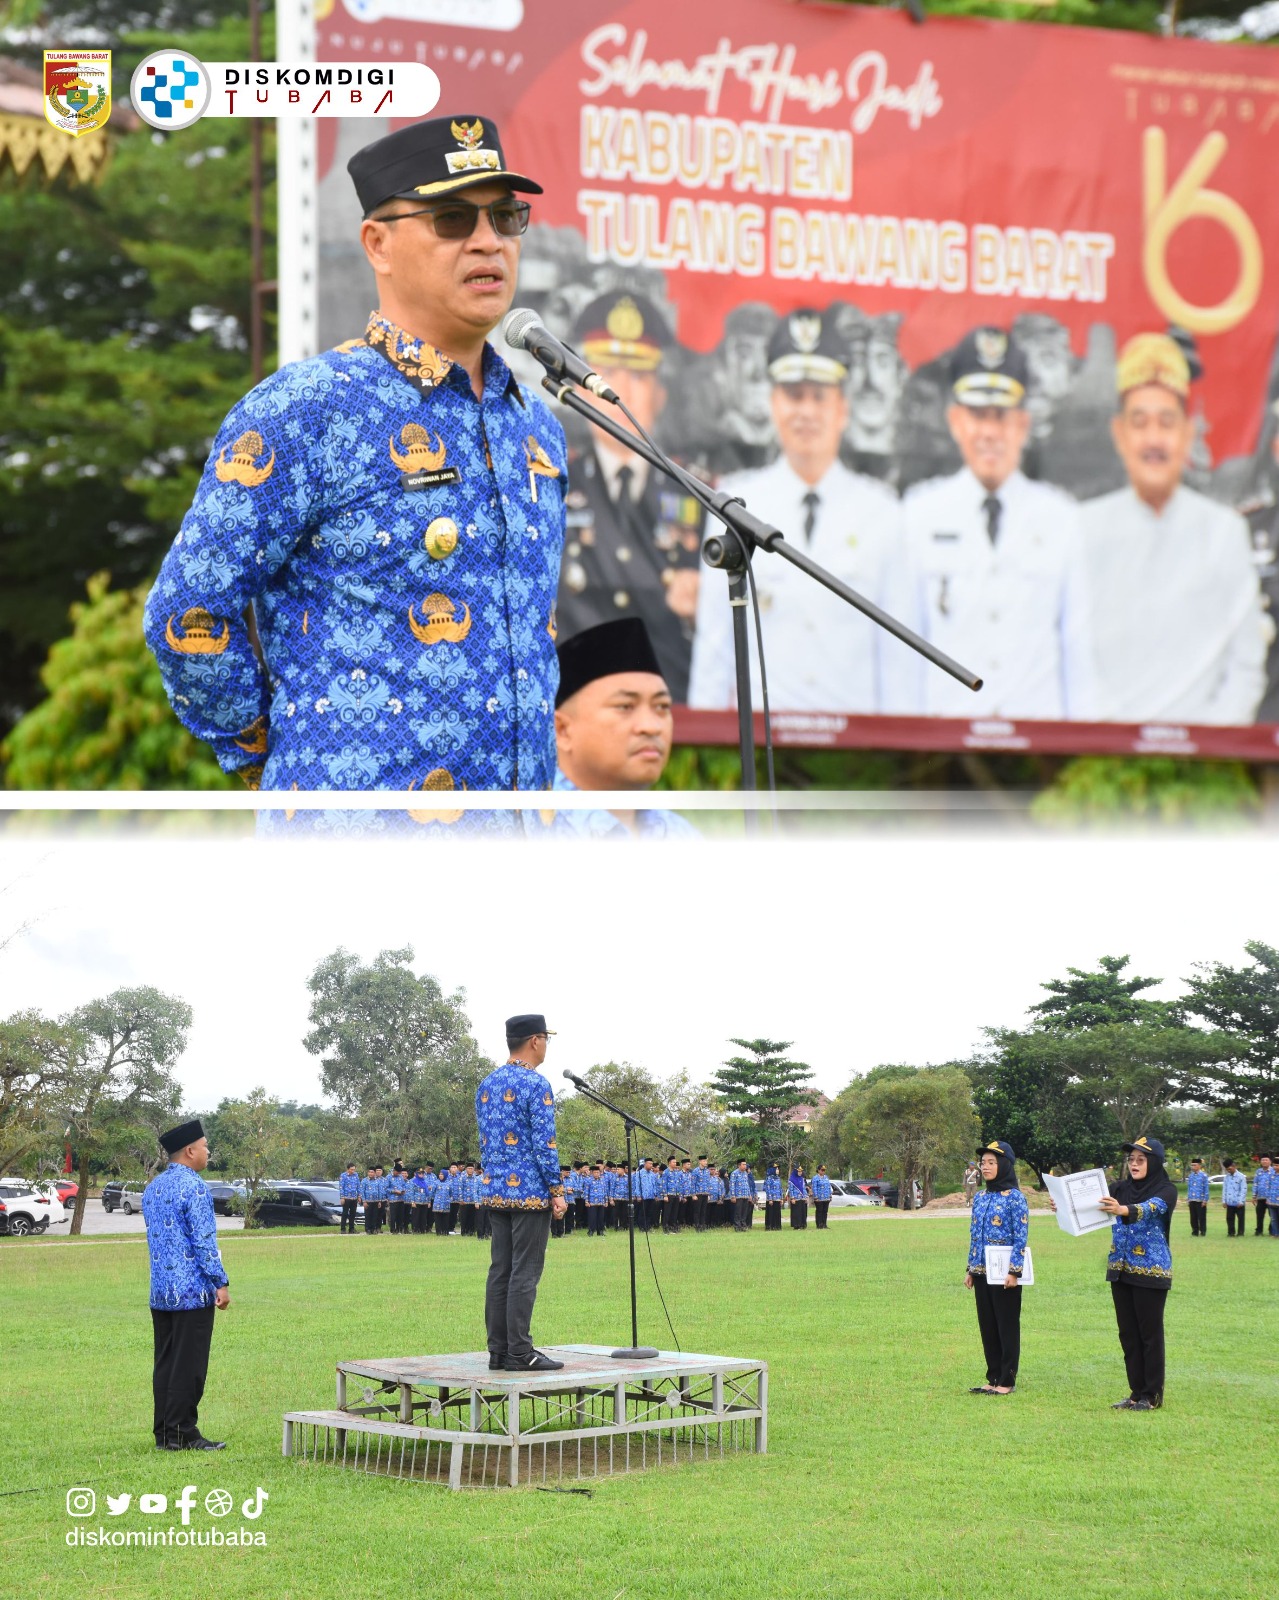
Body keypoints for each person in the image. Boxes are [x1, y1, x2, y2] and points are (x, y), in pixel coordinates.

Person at [143, 115, 566, 803]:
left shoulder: (536, 428)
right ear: (378, 243)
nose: (488, 240)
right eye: (453, 218)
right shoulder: (307, 407)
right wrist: (266, 757)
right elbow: (187, 613)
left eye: (506, 217)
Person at [688, 308, 913, 714]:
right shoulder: (735, 503)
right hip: (763, 743)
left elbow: (898, 658)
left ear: (843, 408)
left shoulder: (883, 512)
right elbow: (715, 645)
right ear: (774, 403)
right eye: (794, 395)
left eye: (819, 396)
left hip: (856, 748)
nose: (806, 411)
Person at [901, 326, 1097, 719]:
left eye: (1001, 416)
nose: (989, 432)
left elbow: (1080, 649)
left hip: (1037, 742)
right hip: (945, 742)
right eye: (977, 415)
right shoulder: (918, 514)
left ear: (1023, 424)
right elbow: (904, 650)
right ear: (956, 421)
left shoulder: (1061, 518)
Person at [1080, 333, 1267, 723]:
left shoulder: (1224, 532)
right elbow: (1071, 655)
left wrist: (1203, 745)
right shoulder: (1082, 530)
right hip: (1103, 750)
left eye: (1167, 423)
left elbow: (1245, 666)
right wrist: (1114, 739)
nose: (1154, 440)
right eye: (1139, 422)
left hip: (1207, 760)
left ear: (1187, 432)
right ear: (1119, 434)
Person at [555, 290, 704, 700]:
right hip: (573, 699)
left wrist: (701, 610)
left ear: (660, 395)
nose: (622, 392)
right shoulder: (554, 483)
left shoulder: (698, 492)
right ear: (584, 392)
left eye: (639, 376)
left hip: (669, 700)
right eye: (607, 375)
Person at [475, 1013, 568, 1372]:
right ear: (535, 1040)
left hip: (496, 1190)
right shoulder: (535, 1084)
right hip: (529, 1193)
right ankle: (520, 1351)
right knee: (525, 1273)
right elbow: (545, 1144)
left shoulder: (486, 1084)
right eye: (546, 1039)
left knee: (500, 1270)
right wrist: (557, 1190)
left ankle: (498, 1351)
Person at [551, 618, 698, 840]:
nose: (651, 727)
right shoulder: (528, 828)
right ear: (562, 730)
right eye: (625, 707)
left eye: (662, 707)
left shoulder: (681, 835)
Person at [142, 1119, 230, 1451]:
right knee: (189, 1365)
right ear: (191, 1151)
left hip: (161, 1291)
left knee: (165, 1362)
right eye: (205, 1146)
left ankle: (165, 1432)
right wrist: (220, 1282)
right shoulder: (194, 1187)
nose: (208, 1152)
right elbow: (204, 1243)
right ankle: (184, 1432)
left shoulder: (154, 1187)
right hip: (192, 1292)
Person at [1098, 1136, 1176, 1410]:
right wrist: (1064, 1206)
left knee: (1149, 1336)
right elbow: (1090, 1202)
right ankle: (1135, 1393)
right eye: (1131, 1160)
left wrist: (1123, 1209)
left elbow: (1151, 1209)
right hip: (1120, 1270)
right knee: (1128, 1335)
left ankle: (1152, 1395)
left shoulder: (1166, 1190)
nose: (1134, 1164)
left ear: (1153, 1162)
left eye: (1140, 1160)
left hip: (1151, 1273)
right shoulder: (1119, 1187)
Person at [964, 1140, 1027, 1397]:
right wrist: (970, 1268)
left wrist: (1015, 1271)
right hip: (981, 1271)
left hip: (1005, 1274)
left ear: (1004, 1165)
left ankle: (1007, 1379)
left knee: (1006, 1325)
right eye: (983, 1162)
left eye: (991, 1162)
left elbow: (1021, 1236)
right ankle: (992, 1376)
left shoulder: (1015, 1198)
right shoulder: (980, 1197)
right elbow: (973, 1234)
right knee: (987, 1325)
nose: (985, 1167)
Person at [1221, 1159, 1247, 1236]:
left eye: (1230, 1169)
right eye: (1227, 1169)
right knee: (1229, 1218)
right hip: (1230, 1202)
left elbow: (1243, 1189)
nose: (1229, 1171)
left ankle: (1240, 1233)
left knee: (1240, 1219)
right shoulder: (1226, 1177)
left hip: (1239, 1202)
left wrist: (1241, 1201)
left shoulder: (1241, 1177)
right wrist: (1224, 1201)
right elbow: (1224, 1189)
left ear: (1234, 1166)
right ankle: (1231, 1233)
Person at [729, 1159, 755, 1232]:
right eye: (743, 1164)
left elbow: (747, 1185)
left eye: (745, 1164)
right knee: (738, 1212)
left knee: (744, 1212)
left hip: (745, 1195)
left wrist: (749, 1195)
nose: (745, 1166)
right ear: (739, 1165)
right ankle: (737, 1227)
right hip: (738, 1196)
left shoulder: (745, 1173)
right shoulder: (734, 1173)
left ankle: (743, 1226)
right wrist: (733, 1196)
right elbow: (732, 1185)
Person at [1186, 1157, 1208, 1237]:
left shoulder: (1203, 1176)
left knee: (1201, 1217)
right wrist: (1188, 1198)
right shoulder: (1191, 1176)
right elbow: (1189, 1187)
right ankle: (1195, 1231)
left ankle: (1202, 1232)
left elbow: (1206, 1188)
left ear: (1199, 1166)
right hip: (1192, 1199)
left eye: (1194, 1165)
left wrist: (1205, 1200)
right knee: (1193, 1217)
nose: (1192, 1167)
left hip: (1200, 1200)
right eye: (1192, 1165)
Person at [1253, 1154, 1275, 1235]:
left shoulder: (1274, 1171)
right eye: (1263, 1160)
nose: (1264, 1161)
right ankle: (1259, 1231)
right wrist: (1254, 1196)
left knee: (1272, 1216)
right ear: (1260, 1162)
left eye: (1266, 1160)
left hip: (1271, 1198)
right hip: (1260, 1198)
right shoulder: (1258, 1171)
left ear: (1270, 1162)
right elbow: (1255, 1183)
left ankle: (1272, 1230)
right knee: (1259, 1216)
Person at [585, 1163, 609, 1236]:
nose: (596, 1174)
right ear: (592, 1173)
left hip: (601, 1202)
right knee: (592, 1217)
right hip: (592, 1202)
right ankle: (591, 1231)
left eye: (598, 1172)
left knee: (601, 1217)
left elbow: (605, 1191)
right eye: (595, 1172)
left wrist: (606, 1201)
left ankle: (600, 1231)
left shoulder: (603, 1180)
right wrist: (586, 1201)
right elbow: (586, 1191)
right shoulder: (588, 1180)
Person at [662, 1155, 683, 1234]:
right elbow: (664, 1184)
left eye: (675, 1162)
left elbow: (679, 1184)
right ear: (669, 1163)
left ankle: (673, 1226)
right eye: (673, 1162)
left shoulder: (677, 1172)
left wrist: (680, 1195)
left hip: (676, 1194)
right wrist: (665, 1195)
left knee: (675, 1212)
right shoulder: (666, 1172)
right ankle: (665, 1228)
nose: (675, 1163)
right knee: (667, 1212)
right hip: (669, 1194)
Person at [338, 1163, 360, 1234]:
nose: (353, 1171)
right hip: (346, 1197)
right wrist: (342, 1197)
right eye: (351, 1169)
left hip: (354, 1198)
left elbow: (358, 1186)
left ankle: (351, 1229)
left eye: (354, 1169)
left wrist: (359, 1196)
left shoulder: (356, 1175)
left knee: (353, 1214)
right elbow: (341, 1187)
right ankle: (343, 1229)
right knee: (345, 1213)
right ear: (348, 1169)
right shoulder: (343, 1176)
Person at [387, 1164, 408, 1235]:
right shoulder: (388, 1177)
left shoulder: (401, 1177)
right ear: (394, 1170)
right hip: (393, 1199)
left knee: (400, 1215)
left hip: (401, 1199)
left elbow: (404, 1185)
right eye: (397, 1172)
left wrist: (403, 1190)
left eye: (399, 1173)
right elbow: (386, 1188)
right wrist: (394, 1191)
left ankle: (400, 1229)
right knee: (393, 1215)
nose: (398, 1174)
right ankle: (393, 1229)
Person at [431, 1167, 453, 1235]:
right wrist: (437, 1199)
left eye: (442, 1174)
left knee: (445, 1219)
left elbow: (451, 1193)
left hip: (446, 1204)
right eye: (440, 1174)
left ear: (445, 1175)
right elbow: (432, 1193)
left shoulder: (449, 1183)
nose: (440, 1175)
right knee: (438, 1219)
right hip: (437, 1204)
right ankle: (438, 1232)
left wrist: (449, 1200)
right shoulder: (436, 1182)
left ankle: (445, 1232)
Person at [788, 1165, 810, 1229]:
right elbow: (791, 1190)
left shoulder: (802, 1179)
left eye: (801, 1171)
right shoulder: (792, 1180)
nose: (800, 1173)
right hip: (796, 1198)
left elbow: (804, 1189)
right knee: (796, 1213)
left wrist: (806, 1197)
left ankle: (802, 1224)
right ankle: (796, 1225)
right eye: (799, 1171)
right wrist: (792, 1198)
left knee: (802, 1212)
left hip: (802, 1198)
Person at [360, 1166, 380, 1235]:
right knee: (368, 1216)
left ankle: (373, 1229)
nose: (370, 1173)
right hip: (368, 1201)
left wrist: (379, 1201)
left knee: (375, 1216)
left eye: (372, 1172)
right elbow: (362, 1191)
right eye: (369, 1172)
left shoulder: (377, 1181)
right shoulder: (364, 1181)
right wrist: (364, 1201)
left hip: (375, 1201)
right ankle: (367, 1229)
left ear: (374, 1173)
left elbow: (379, 1191)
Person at [763, 1163, 783, 1231]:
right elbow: (768, 1189)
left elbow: (780, 1189)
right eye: (776, 1169)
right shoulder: (769, 1178)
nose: (778, 1170)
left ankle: (777, 1226)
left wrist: (781, 1198)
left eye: (778, 1169)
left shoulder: (778, 1178)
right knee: (771, 1213)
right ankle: (770, 1226)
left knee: (777, 1213)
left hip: (777, 1198)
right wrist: (770, 1199)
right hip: (771, 1199)